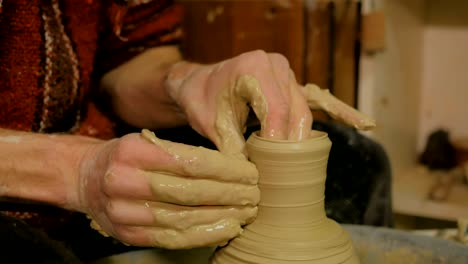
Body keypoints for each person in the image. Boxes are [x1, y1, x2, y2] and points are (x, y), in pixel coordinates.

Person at [0, 0, 374, 262]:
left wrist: (184, 81)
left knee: (358, 162)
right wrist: (76, 173)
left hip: (82, 131)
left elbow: (128, 57)